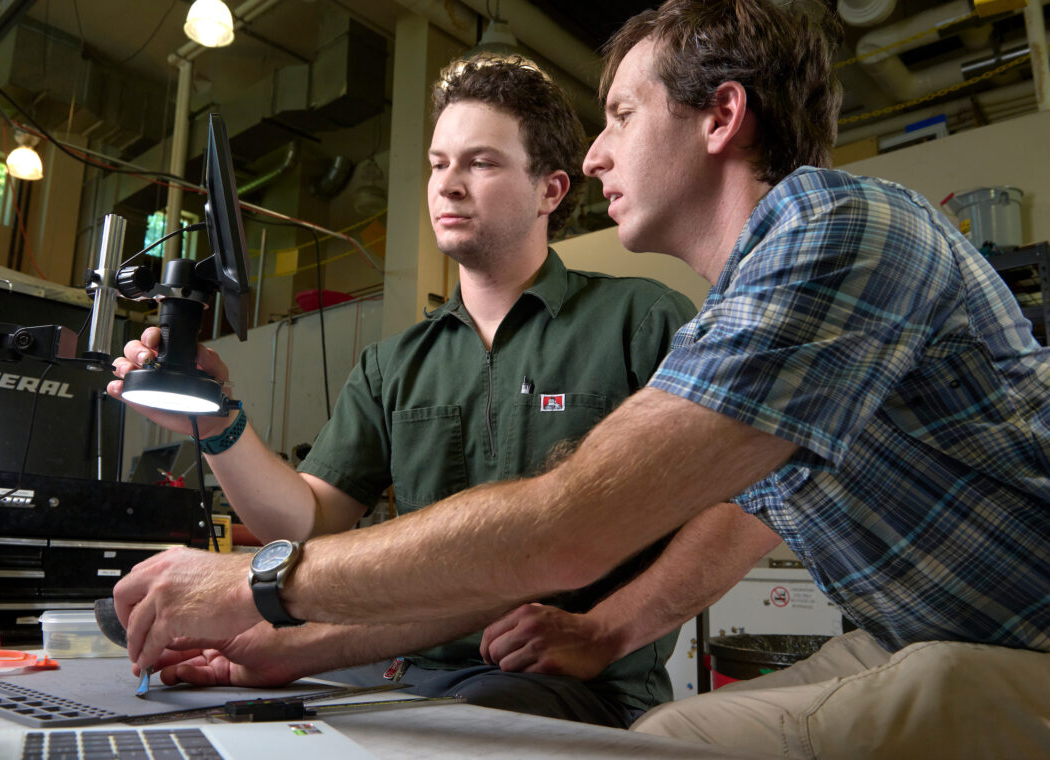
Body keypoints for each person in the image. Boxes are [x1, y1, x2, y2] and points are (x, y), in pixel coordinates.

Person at [113, 1, 1049, 752]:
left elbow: (564, 533)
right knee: (678, 733)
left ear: (722, 114)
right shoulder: (734, 323)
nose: (597, 154)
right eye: (439, 163)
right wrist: (293, 645)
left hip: (1009, 647)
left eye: (621, 117)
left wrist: (261, 585)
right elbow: (720, 512)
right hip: (914, 633)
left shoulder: (838, 230)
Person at [110, 53, 779, 729]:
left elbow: (749, 502)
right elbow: (307, 523)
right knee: (171, 674)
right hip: (391, 667)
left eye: (481, 164)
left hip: (554, 681)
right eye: (438, 164)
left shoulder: (640, 321)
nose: (448, 186)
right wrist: (220, 426)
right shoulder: (394, 363)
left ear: (550, 190)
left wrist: (609, 628)